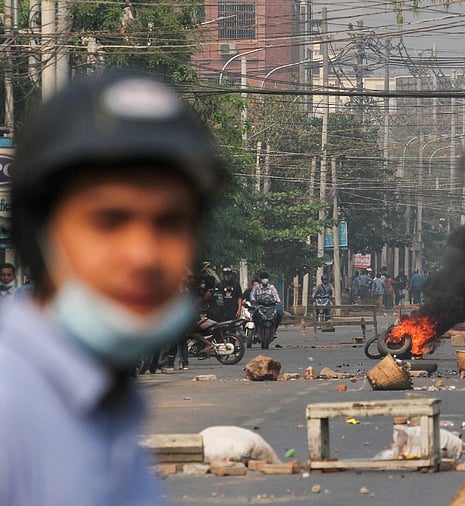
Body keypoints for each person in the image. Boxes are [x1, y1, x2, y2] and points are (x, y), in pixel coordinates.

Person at [0, 73, 224, 504]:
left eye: (170, 222)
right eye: (109, 220)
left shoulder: (105, 401)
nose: (143, 255)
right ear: (41, 232)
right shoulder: (10, 406)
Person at [250, 272, 283, 343]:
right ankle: (256, 330)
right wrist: (254, 301)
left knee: (279, 314)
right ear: (261, 279)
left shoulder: (272, 287)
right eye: (263, 278)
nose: (265, 279)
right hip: (260, 306)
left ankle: (274, 330)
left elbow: (276, 296)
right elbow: (252, 296)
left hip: (271, 307)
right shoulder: (257, 287)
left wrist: (278, 301)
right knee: (254, 315)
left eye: (266, 278)